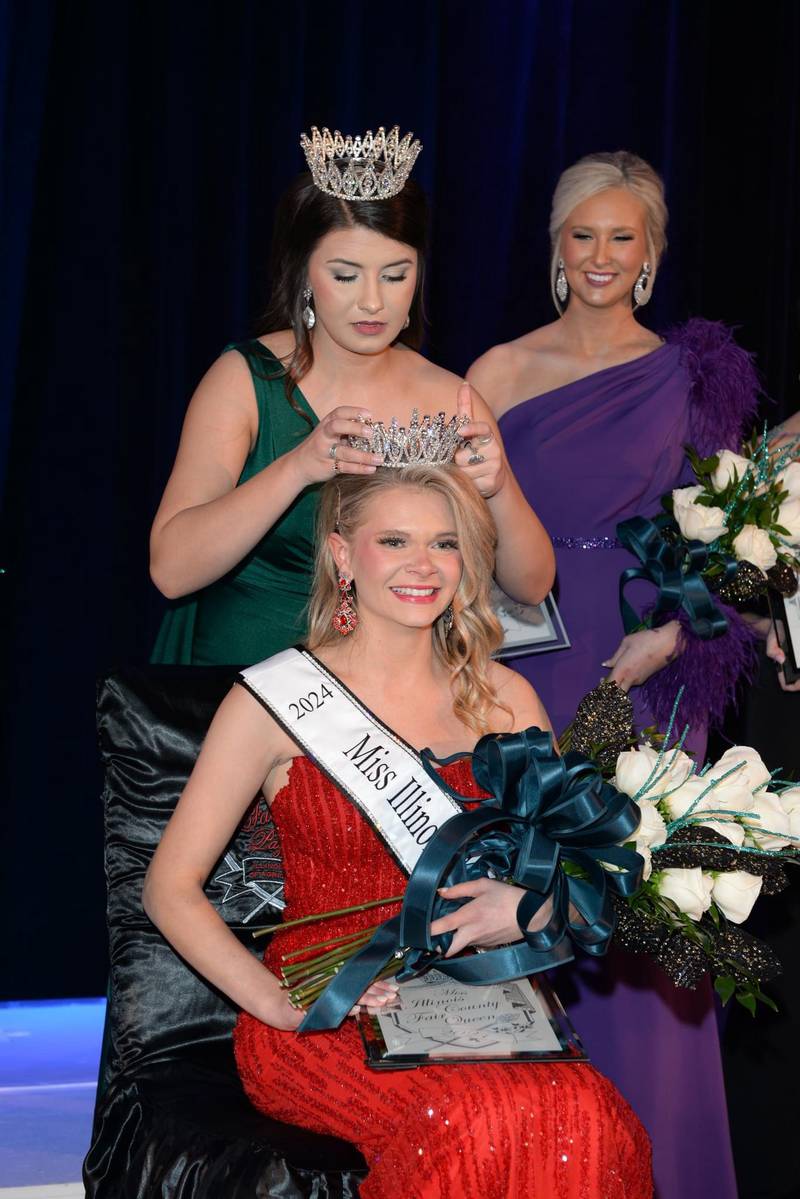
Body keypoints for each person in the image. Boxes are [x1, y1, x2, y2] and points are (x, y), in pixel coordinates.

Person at [143, 462, 652, 1199]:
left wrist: (529, 908)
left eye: (444, 543)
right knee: (471, 1121)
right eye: (394, 540)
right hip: (334, 1010)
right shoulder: (276, 701)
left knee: (593, 1117)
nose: (423, 565)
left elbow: (573, 873)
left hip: (479, 1001)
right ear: (343, 556)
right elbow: (169, 888)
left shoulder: (506, 698)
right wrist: (279, 1001)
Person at [467, 152, 758, 1199]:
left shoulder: (689, 375)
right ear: (554, 246)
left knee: (639, 933)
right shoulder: (494, 371)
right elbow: (456, 533)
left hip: (638, 668)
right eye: (579, 235)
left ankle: (663, 1173)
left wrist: (674, 638)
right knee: (508, 909)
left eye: (619, 237)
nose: (598, 256)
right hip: (513, 665)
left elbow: (732, 539)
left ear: (650, 254)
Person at [150, 125, 554, 665]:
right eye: (346, 275)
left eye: (394, 275)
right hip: (245, 688)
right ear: (305, 277)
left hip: (390, 712)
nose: (371, 302)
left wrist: (498, 488)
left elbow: (532, 587)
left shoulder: (449, 397)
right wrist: (298, 466)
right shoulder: (246, 381)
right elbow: (172, 571)